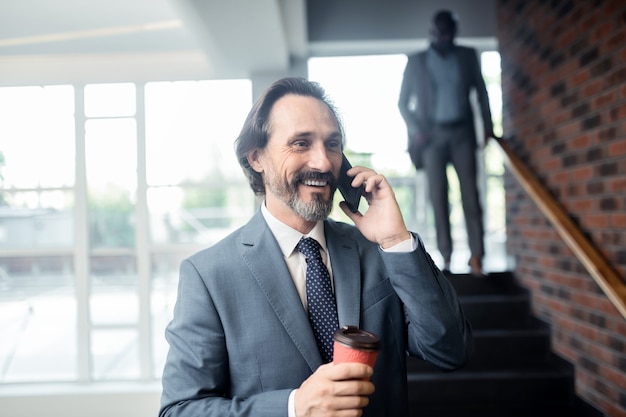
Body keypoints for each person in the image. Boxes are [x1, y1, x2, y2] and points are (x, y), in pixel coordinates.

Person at [159, 77, 472, 417]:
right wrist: (293, 408)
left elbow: (450, 351)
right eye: (301, 143)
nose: (323, 163)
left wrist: (396, 241)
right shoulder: (208, 275)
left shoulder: (381, 252)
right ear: (256, 157)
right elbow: (180, 410)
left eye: (332, 144)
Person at [398, 9, 497, 276]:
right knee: (439, 198)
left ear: (455, 31)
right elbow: (403, 104)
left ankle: (477, 257)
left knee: (471, 196)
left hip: (462, 134)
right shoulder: (416, 61)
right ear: (432, 31)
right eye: (439, 32)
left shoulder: (467, 56)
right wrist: (417, 130)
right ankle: (446, 258)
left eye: (448, 32)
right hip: (432, 139)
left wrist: (488, 128)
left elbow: (482, 93)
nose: (444, 37)